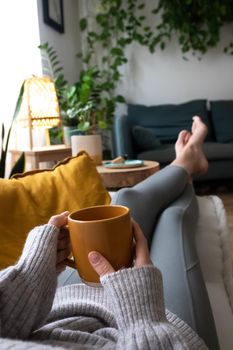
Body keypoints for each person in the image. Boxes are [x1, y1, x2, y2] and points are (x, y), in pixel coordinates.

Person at [0, 117, 209, 349]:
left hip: (62, 308)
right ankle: (187, 167)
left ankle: (186, 164)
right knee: (173, 217)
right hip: (144, 333)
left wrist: (28, 277)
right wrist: (142, 316)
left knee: (124, 200)